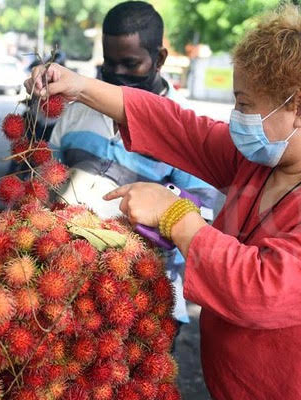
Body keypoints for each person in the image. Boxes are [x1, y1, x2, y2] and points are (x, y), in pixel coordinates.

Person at [27, 4, 301, 400]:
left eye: (245, 104)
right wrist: (80, 87)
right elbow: (180, 127)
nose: (237, 116)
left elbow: (261, 289)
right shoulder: (269, 159)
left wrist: (176, 216)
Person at [50, 0, 222, 337]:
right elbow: (44, 183)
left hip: (147, 297)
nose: (119, 75)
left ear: (159, 59)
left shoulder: (186, 132)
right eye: (110, 64)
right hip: (70, 288)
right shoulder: (73, 114)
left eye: (131, 64)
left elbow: (202, 219)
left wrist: (152, 216)